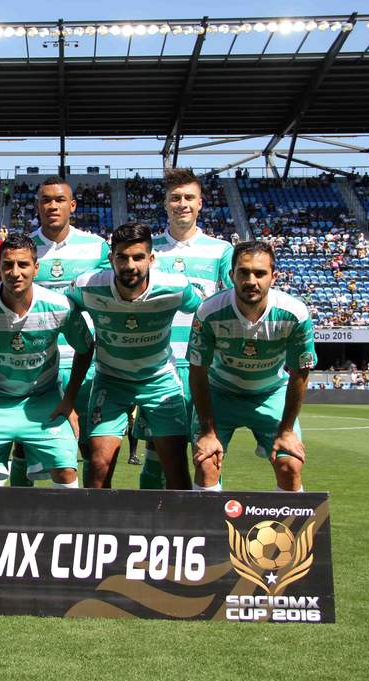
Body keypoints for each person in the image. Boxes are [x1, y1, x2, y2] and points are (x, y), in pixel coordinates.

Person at [68, 223, 202, 489]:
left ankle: (177, 518)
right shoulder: (87, 285)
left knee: (176, 468)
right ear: (111, 258)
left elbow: (206, 311)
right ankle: (96, 518)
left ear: (151, 259)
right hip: (110, 380)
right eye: (122, 257)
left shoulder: (175, 287)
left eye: (138, 257)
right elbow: (59, 307)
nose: (130, 265)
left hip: (160, 380)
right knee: (98, 465)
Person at [0, 233, 94, 488]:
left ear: (36, 268)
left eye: (23, 264)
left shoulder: (59, 306)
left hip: (44, 400)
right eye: (8, 265)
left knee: (66, 470)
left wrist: (69, 400)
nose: (15, 272)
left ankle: (65, 518)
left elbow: (85, 348)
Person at [188, 240, 317, 492]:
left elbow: (300, 373)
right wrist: (207, 430)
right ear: (231, 275)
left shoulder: (294, 313)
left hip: (270, 393)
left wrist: (287, 430)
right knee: (206, 464)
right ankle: (208, 519)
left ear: (274, 277)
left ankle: (288, 521)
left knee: (290, 466)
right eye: (244, 272)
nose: (251, 281)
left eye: (260, 273)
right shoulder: (208, 312)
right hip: (220, 393)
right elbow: (198, 371)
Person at [134, 168, 234, 489]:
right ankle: (148, 519)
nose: (182, 204)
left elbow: (232, 306)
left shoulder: (221, 250)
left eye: (189, 197)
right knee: (156, 456)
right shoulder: (148, 251)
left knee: (207, 455)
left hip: (203, 369)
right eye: (175, 198)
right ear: (165, 203)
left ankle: (207, 520)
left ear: (200, 203)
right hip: (158, 368)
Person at [18, 176, 110, 486]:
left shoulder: (96, 247)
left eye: (59, 200)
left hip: (86, 362)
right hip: (37, 364)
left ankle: (92, 512)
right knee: (25, 446)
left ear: (72, 205)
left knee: (93, 450)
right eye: (46, 200)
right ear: (37, 206)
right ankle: (15, 512)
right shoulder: (24, 249)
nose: (52, 205)